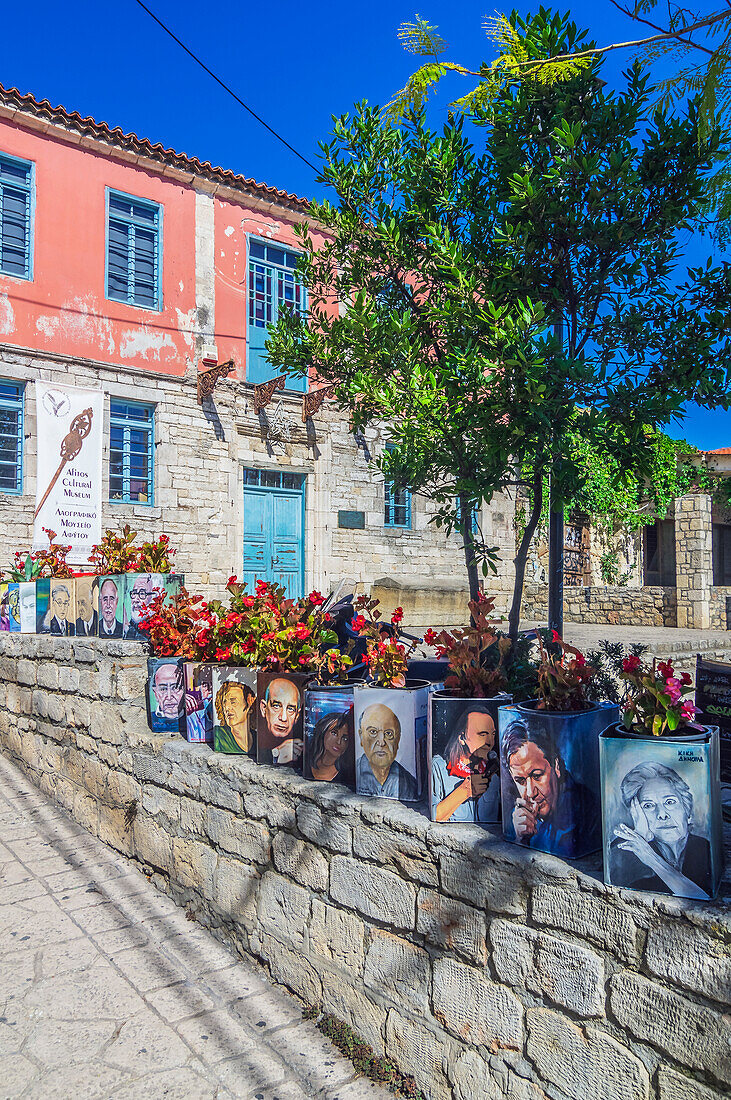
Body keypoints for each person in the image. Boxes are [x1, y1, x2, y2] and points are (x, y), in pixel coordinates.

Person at [609, 761, 711, 899]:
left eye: (669, 802)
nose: (662, 814)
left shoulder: (705, 849)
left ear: (688, 812)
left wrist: (651, 858)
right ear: (636, 813)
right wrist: (640, 835)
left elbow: (699, 897)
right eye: (648, 805)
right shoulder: (627, 853)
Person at [500, 720, 598, 857]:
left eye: (537, 776)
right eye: (520, 781)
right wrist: (521, 840)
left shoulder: (587, 812)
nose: (530, 792)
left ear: (556, 766)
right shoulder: (517, 817)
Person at [431, 703, 500, 823]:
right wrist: (464, 791)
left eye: (492, 734)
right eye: (482, 734)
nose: (490, 742)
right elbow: (434, 816)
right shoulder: (439, 767)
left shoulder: (495, 773)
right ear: (462, 738)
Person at [357, 702, 417, 800]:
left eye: (388, 733)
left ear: (397, 740)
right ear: (361, 737)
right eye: (373, 732)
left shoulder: (409, 783)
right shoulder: (352, 774)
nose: (381, 742)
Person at [259, 677, 303, 766]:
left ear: (297, 716)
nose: (283, 718)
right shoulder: (252, 741)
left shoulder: (302, 746)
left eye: (290, 709)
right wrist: (275, 754)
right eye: (276, 706)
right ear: (264, 708)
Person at [307, 710, 353, 782]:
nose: (339, 742)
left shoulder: (347, 775)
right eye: (334, 733)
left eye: (345, 738)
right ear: (323, 731)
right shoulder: (306, 760)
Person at [213, 680, 256, 754]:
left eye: (233, 702)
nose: (227, 708)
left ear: (249, 706)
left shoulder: (258, 739)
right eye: (224, 703)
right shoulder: (219, 735)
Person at [150, 661, 185, 732]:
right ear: (156, 693)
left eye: (175, 688)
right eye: (163, 689)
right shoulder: (153, 720)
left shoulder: (193, 718)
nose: (169, 697)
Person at [124, 574, 161, 639]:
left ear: (155, 597)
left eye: (142, 593)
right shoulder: (129, 628)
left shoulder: (161, 627)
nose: (135, 599)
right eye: (134, 593)